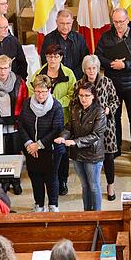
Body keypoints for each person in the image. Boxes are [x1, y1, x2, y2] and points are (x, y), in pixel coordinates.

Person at [95, 8, 131, 164]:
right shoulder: (106, 37)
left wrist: (124, 65)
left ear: (127, 20)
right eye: (115, 22)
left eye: (121, 22)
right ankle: (116, 146)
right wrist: (110, 64)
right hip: (113, 84)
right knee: (114, 117)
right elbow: (98, 55)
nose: (118, 25)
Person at [29, 44, 76, 196]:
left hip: (62, 119)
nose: (52, 59)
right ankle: (47, 180)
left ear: (61, 58)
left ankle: (62, 180)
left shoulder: (68, 74)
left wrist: (56, 103)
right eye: (49, 56)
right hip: (42, 120)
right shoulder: (38, 74)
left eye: (56, 56)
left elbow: (72, 94)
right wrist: (44, 101)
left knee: (62, 153)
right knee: (46, 152)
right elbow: (32, 92)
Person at [0, 55, 30, 194]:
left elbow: (25, 103)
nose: (3, 71)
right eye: (0, 68)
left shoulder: (19, 82)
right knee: (1, 154)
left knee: (15, 154)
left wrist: (20, 119)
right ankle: (4, 181)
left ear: (10, 68)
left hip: (15, 124)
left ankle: (16, 180)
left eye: (5, 68)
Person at [55, 81, 106, 211]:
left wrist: (75, 142)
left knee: (94, 186)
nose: (83, 98)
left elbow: (96, 135)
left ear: (93, 96)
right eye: (81, 95)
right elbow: (69, 128)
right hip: (77, 154)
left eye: (87, 95)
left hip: (92, 154)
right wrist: (63, 136)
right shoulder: (75, 109)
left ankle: (97, 215)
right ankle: (87, 212)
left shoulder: (99, 112)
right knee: (84, 185)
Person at [19, 75, 64, 212]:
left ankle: (53, 205)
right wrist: (29, 143)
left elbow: (57, 129)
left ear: (49, 90)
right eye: (38, 91)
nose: (40, 95)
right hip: (31, 149)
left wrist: (38, 144)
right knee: (35, 177)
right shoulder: (27, 104)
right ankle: (39, 204)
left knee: (51, 178)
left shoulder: (56, 106)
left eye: (44, 91)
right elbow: (21, 124)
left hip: (50, 149)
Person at [80, 55, 119, 201]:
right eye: (89, 68)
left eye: (94, 68)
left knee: (108, 157)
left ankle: (110, 185)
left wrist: (108, 109)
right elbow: (75, 103)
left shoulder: (106, 82)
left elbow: (115, 100)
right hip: (86, 128)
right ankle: (92, 186)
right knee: (89, 158)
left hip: (106, 127)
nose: (91, 71)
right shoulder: (80, 84)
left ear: (98, 69)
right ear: (84, 69)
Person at [40, 9, 89, 80]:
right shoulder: (49, 38)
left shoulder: (80, 38)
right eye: (62, 23)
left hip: (77, 78)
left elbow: (84, 60)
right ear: (56, 22)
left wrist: (72, 76)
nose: (65, 27)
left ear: (72, 22)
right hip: (55, 78)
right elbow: (45, 60)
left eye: (68, 23)